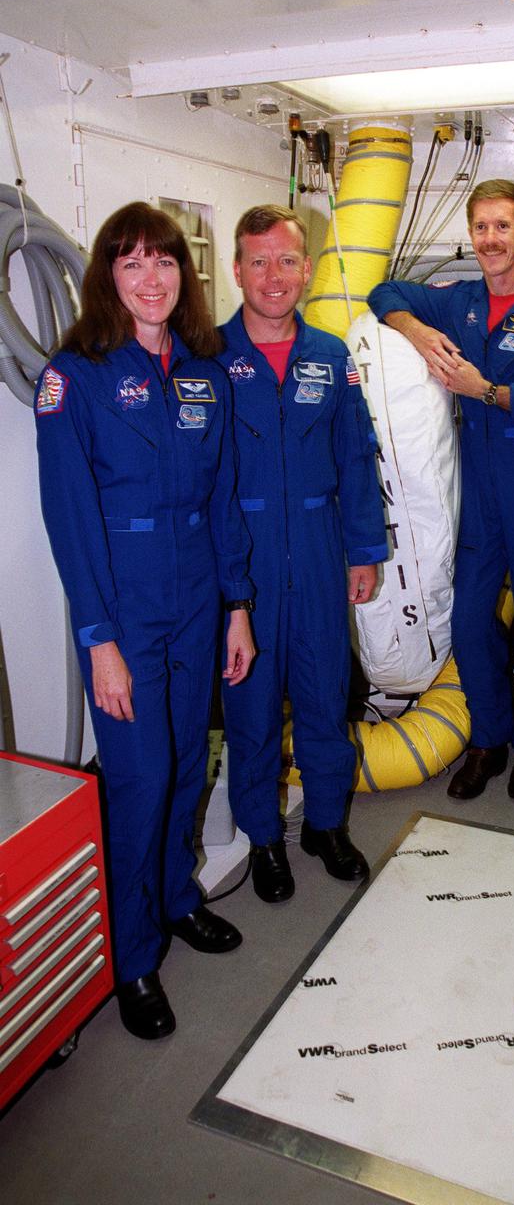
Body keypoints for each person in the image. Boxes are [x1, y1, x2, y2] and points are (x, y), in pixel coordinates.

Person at [34, 202, 255, 1040]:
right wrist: (99, 644)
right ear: (107, 278)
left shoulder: (203, 371)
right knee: (137, 783)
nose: (152, 279)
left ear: (183, 276)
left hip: (200, 599)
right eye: (132, 264)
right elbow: (70, 519)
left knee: (190, 771)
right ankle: (131, 959)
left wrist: (237, 605)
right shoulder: (76, 375)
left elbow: (222, 496)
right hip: (125, 608)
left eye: (164, 263)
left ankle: (173, 898)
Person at [368, 179, 514, 802]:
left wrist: (484, 390)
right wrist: (414, 329)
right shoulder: (460, 301)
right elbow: (385, 291)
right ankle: (489, 735)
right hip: (478, 488)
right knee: (468, 623)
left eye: (502, 227)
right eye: (481, 228)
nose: (491, 240)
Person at [219, 206, 386, 902]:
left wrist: (364, 549)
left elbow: (355, 456)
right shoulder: (206, 358)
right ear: (236, 271)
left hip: (318, 551)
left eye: (286, 260)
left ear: (307, 269)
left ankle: (324, 824)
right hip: (246, 558)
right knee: (252, 711)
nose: (274, 276)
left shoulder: (330, 356)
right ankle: (263, 838)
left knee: (325, 699)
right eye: (258, 261)